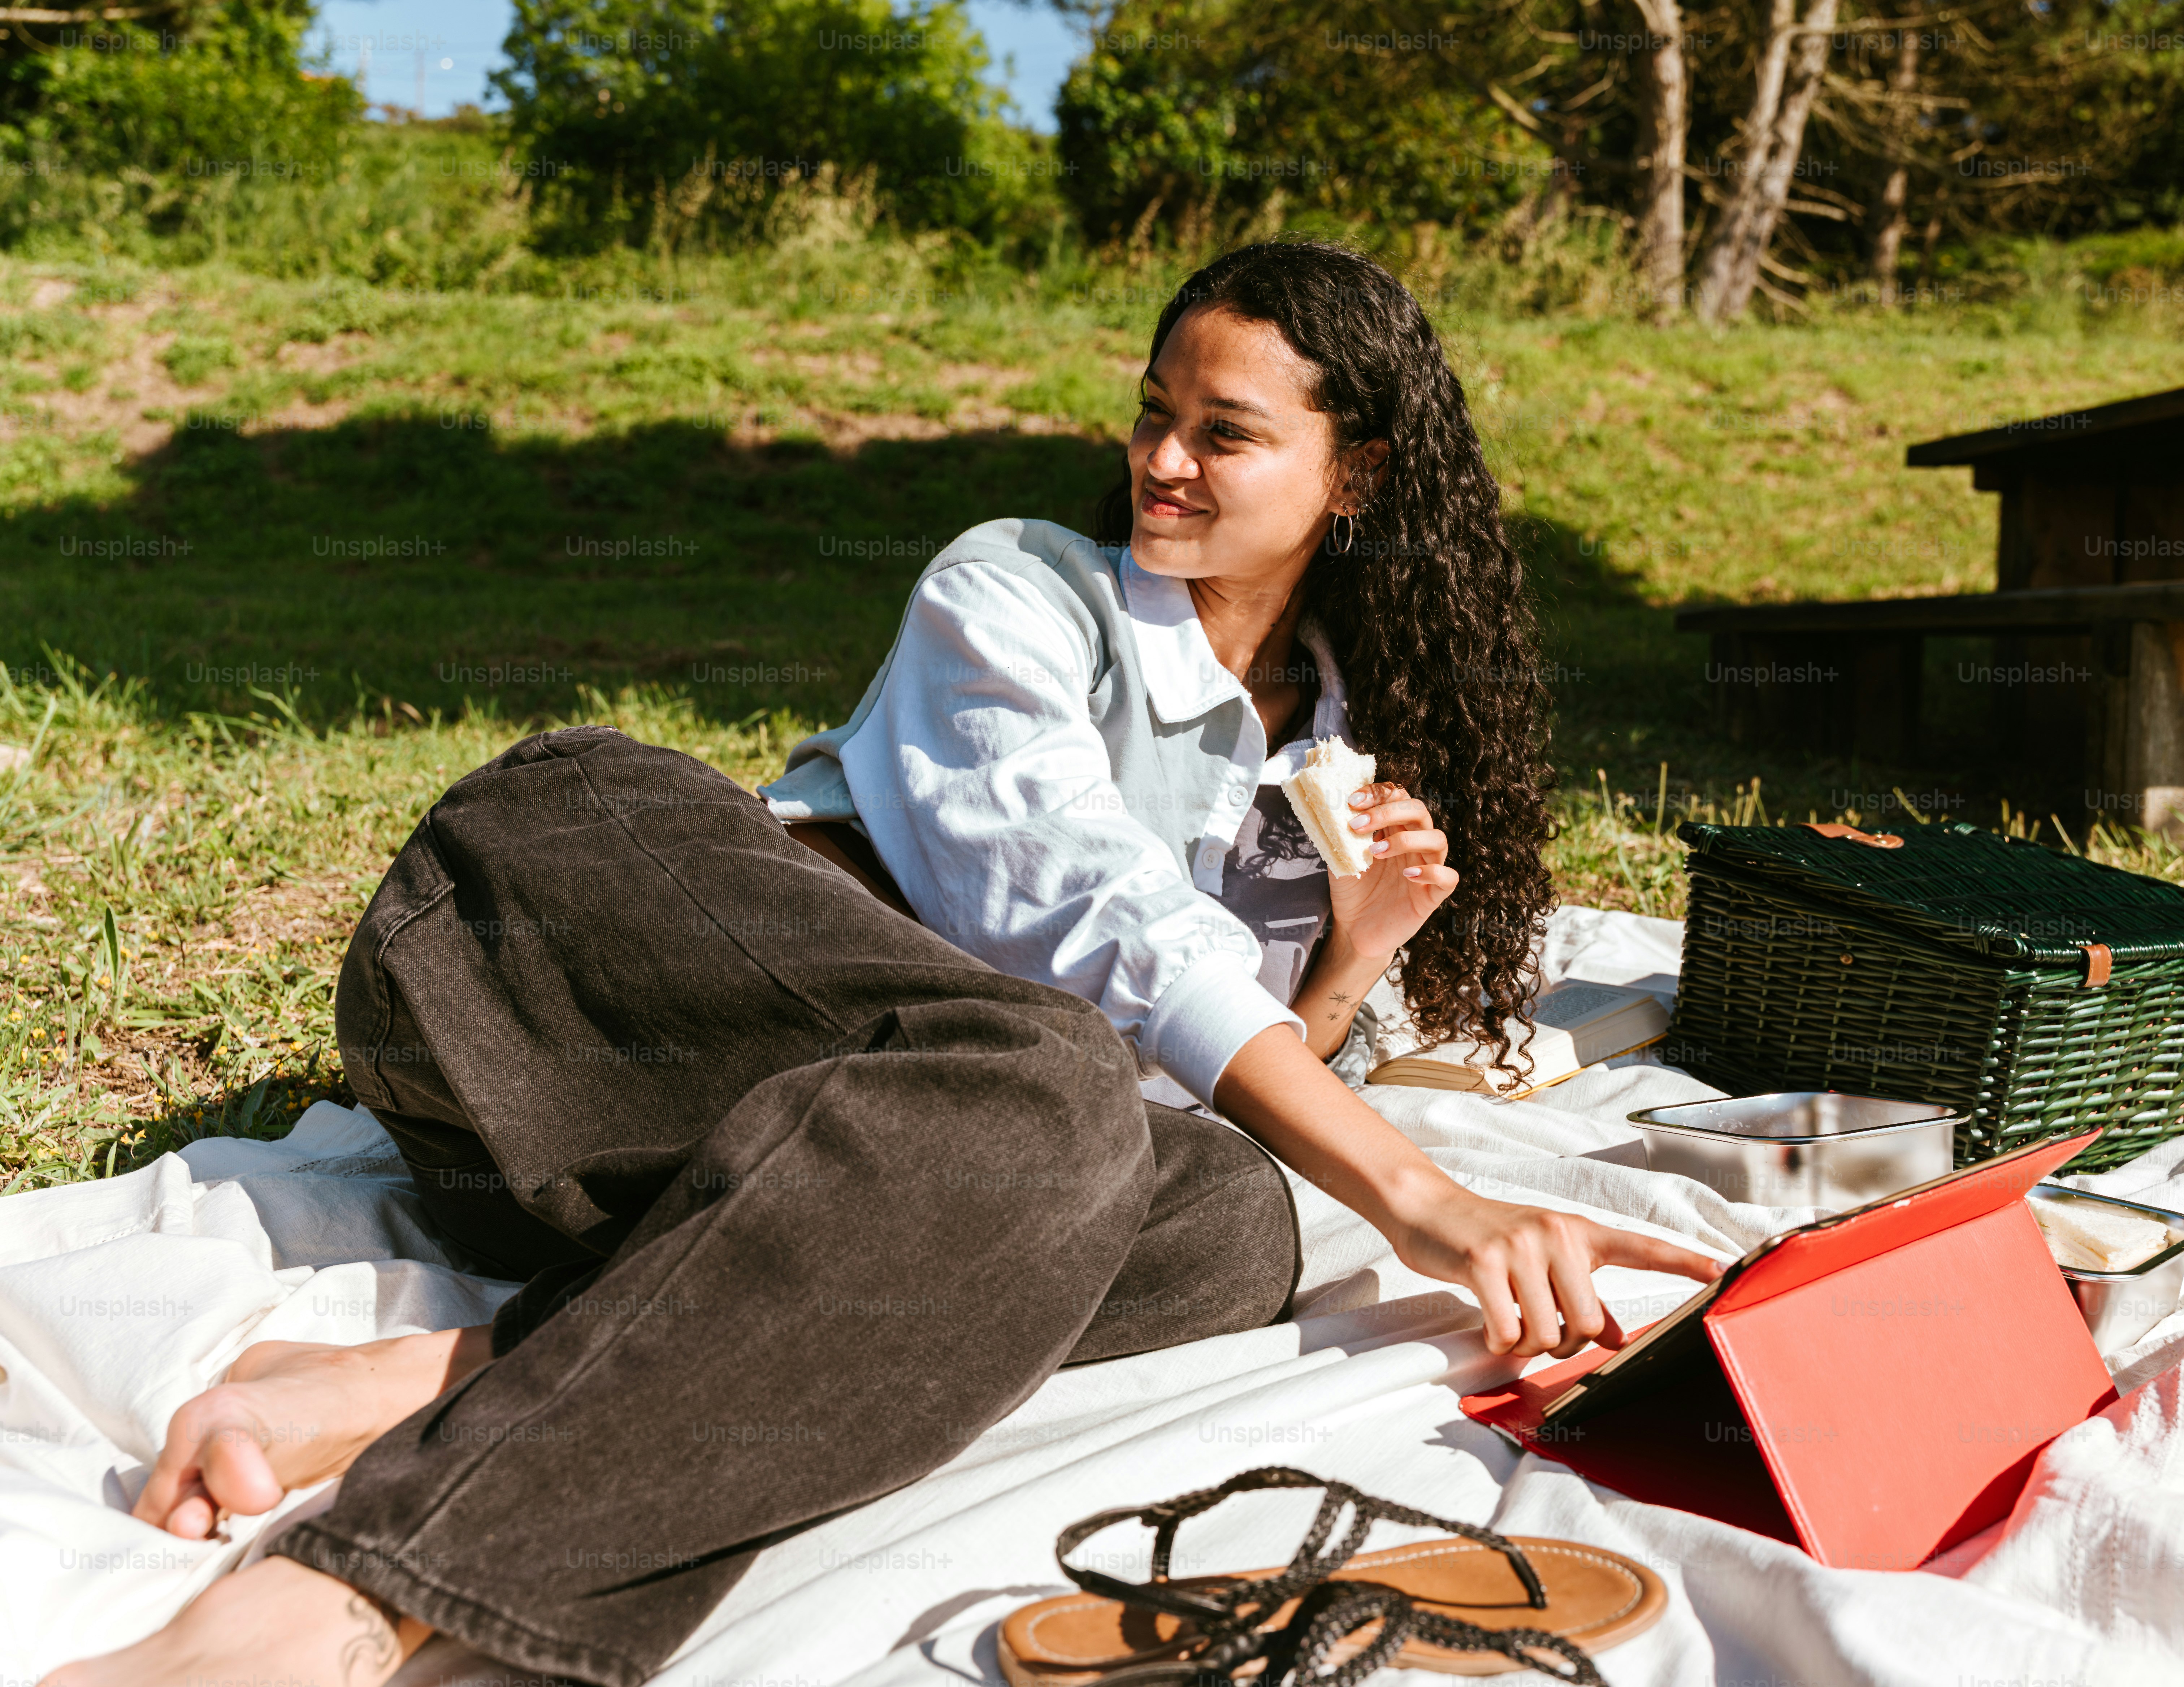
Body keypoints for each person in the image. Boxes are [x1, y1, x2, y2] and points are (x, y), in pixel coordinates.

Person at [45, 241, 1716, 1687]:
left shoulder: (1342, 738)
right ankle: (346, 1597)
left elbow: (1162, 1079)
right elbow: (1099, 931)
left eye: (1226, 433)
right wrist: (1428, 1197)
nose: (1163, 460)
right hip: (570, 975)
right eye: (1155, 411)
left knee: (1230, 1214)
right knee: (1059, 1089)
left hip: (810, 1166)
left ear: (1350, 480)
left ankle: (439, 1373)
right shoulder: (1017, 590)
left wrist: (1346, 973)